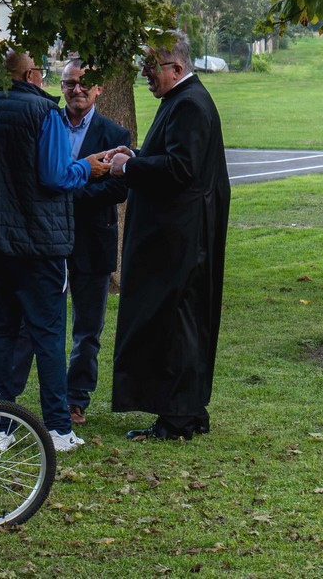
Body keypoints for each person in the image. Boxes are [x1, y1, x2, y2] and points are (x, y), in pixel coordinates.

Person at [0, 51, 112, 453]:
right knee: (48, 333)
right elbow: (56, 176)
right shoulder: (43, 112)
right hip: (38, 245)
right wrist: (87, 167)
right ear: (32, 75)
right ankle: (57, 427)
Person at [108, 32, 231, 441]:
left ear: (176, 68)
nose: (145, 75)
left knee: (174, 324)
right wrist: (137, 157)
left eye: (149, 68)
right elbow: (176, 159)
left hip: (179, 238)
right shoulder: (182, 101)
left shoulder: (190, 104)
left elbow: (181, 169)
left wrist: (126, 169)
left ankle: (177, 416)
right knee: (181, 322)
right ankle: (187, 411)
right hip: (180, 234)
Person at [7, 60, 133, 426]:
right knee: (30, 323)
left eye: (83, 84)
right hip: (44, 242)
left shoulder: (114, 133)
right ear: (59, 87)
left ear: (98, 89)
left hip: (92, 241)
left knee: (86, 329)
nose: (76, 90)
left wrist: (66, 189)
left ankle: (75, 399)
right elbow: (37, 176)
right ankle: (7, 397)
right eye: (68, 84)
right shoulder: (44, 121)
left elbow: (118, 188)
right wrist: (75, 181)